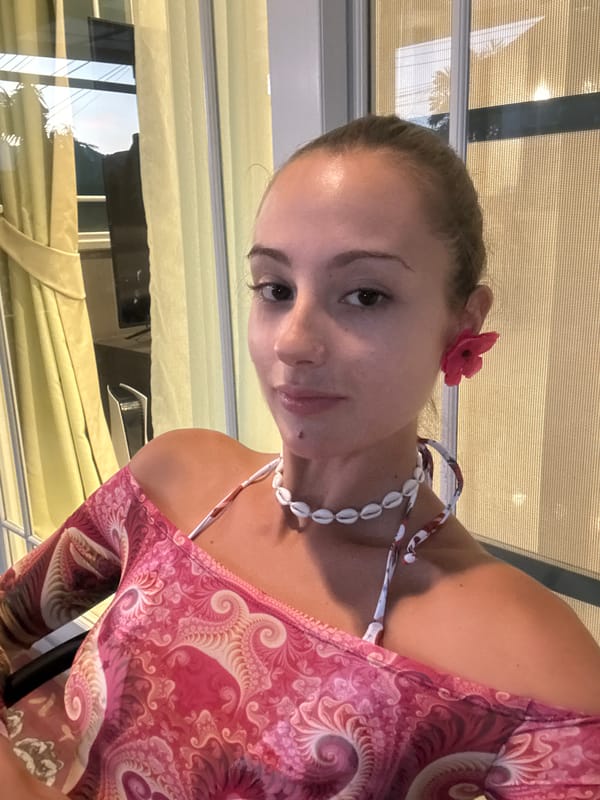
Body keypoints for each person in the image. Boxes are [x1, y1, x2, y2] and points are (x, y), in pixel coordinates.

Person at [1, 114, 600, 799]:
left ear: (462, 322)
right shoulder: (173, 478)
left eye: (365, 295)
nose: (293, 341)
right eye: (275, 288)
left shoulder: (532, 672)